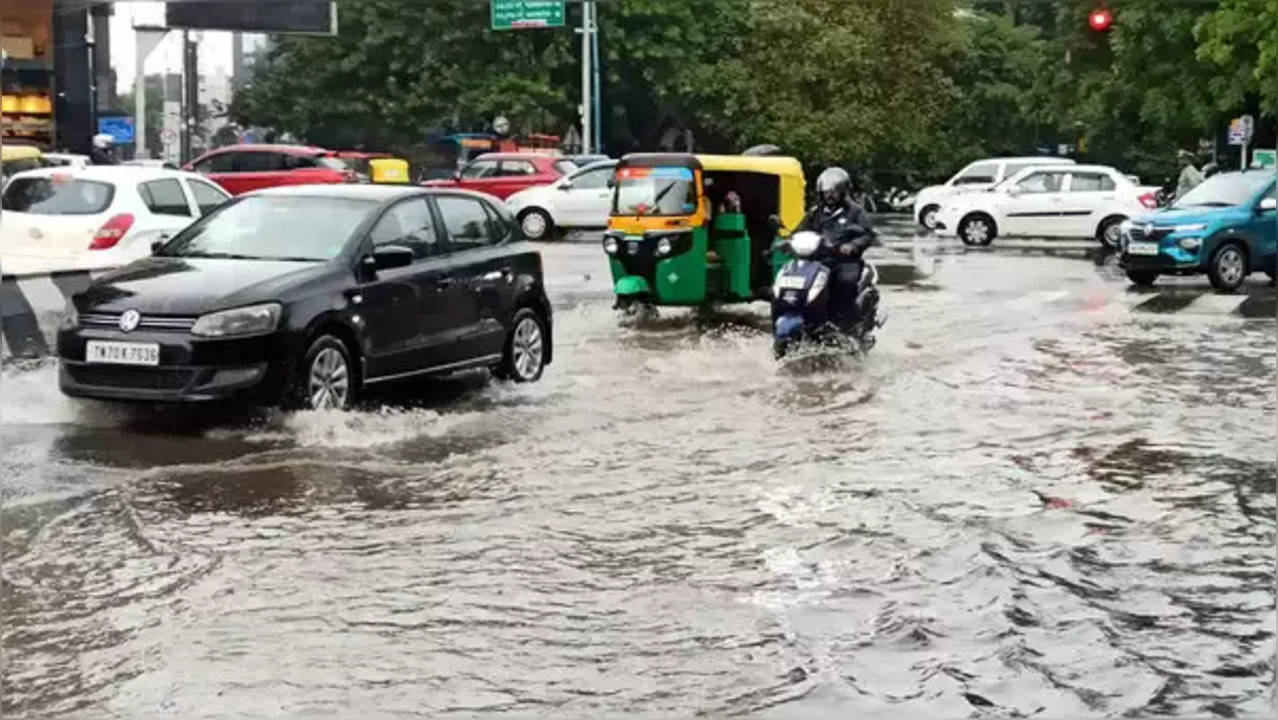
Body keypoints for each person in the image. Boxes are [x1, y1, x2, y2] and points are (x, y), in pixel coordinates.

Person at [796, 166, 875, 329]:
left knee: (844, 284)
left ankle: (846, 326)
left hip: (845, 262)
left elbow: (868, 234)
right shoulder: (815, 213)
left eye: (834, 191)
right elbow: (800, 231)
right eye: (826, 192)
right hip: (819, 260)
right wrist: (786, 241)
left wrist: (852, 245)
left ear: (843, 192)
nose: (830, 195)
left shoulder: (855, 212)